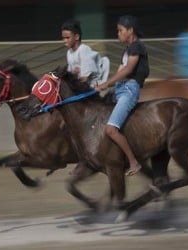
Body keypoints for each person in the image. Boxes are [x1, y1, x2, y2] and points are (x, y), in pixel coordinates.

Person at [95, 15, 149, 176]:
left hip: (129, 91)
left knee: (111, 129)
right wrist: (103, 86)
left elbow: (128, 70)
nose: (118, 33)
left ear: (130, 30)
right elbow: (119, 72)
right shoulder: (127, 50)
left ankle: (133, 162)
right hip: (119, 89)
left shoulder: (136, 47)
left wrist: (106, 84)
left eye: (120, 30)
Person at [61, 19, 109, 87]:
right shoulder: (69, 52)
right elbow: (70, 72)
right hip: (79, 85)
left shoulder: (83, 50)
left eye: (67, 38)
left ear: (77, 37)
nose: (65, 41)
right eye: (63, 38)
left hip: (91, 86)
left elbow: (85, 78)